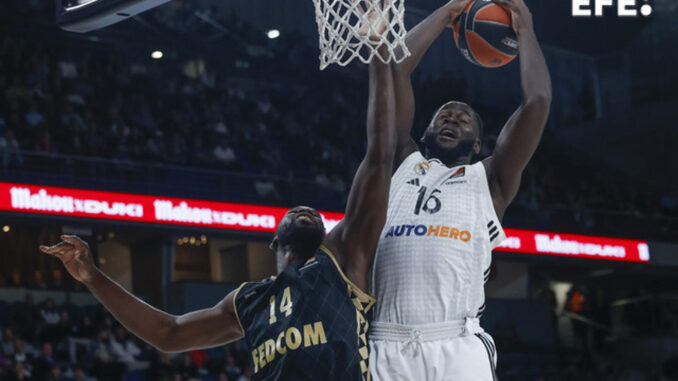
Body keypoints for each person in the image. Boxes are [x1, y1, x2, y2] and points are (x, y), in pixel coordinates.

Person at [40, 46, 397, 380]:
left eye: (313, 214)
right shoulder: (248, 300)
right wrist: (92, 277)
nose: (306, 210)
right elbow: (169, 333)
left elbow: (380, 155)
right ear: (274, 241)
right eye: (295, 211)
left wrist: (379, 49)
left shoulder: (341, 263)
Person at [368, 0, 552, 379]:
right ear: (424, 133)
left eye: (463, 119)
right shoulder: (402, 163)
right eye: (443, 116)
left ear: (477, 146)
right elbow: (396, 70)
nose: (452, 119)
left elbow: (537, 102)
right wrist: (448, 12)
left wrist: (525, 30)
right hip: (385, 341)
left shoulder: (490, 180)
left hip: (456, 341)